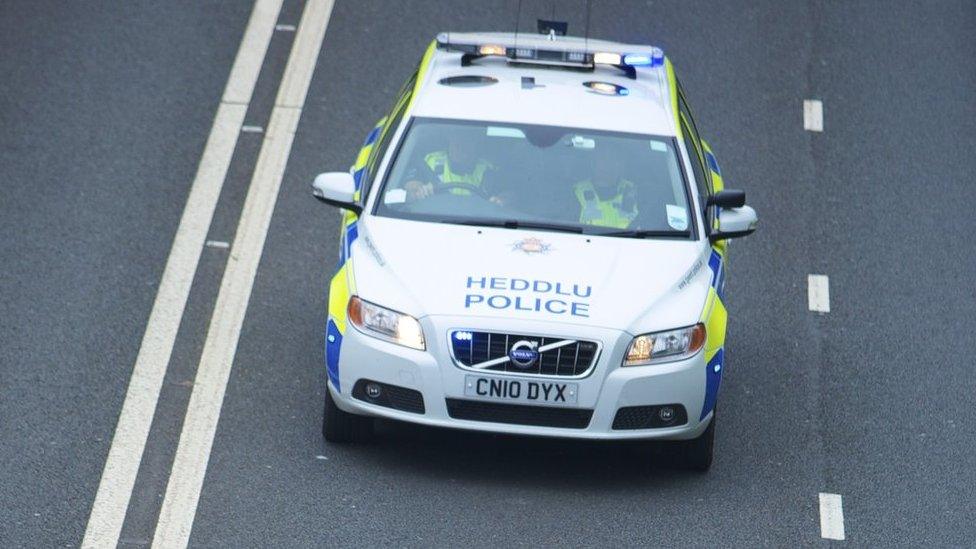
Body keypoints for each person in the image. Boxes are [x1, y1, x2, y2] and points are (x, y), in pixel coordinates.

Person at [403, 139, 496, 201]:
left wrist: (500, 199)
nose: (461, 147)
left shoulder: (488, 169)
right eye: (457, 142)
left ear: (476, 144)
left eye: (467, 141)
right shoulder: (431, 160)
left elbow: (505, 196)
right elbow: (411, 187)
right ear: (449, 141)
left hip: (476, 221)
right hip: (434, 218)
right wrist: (421, 190)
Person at [573, 152, 638, 229]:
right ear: (593, 163)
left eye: (613, 159)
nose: (608, 165)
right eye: (603, 158)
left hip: (631, 239)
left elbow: (647, 222)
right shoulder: (577, 192)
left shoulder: (634, 190)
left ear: (621, 165)